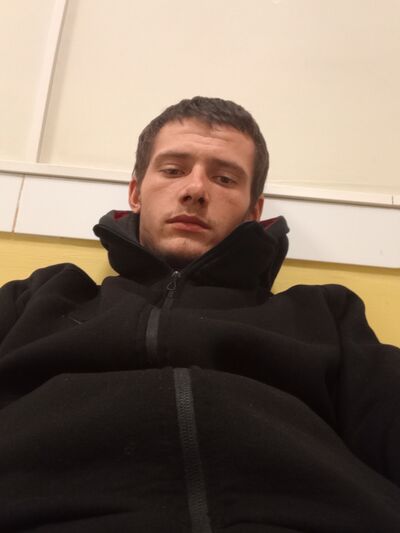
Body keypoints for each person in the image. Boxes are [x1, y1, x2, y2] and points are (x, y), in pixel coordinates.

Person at [0, 96, 399, 533]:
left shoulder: (324, 315)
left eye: (224, 178)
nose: (195, 190)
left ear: (253, 211)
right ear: (135, 193)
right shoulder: (38, 298)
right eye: (173, 170)